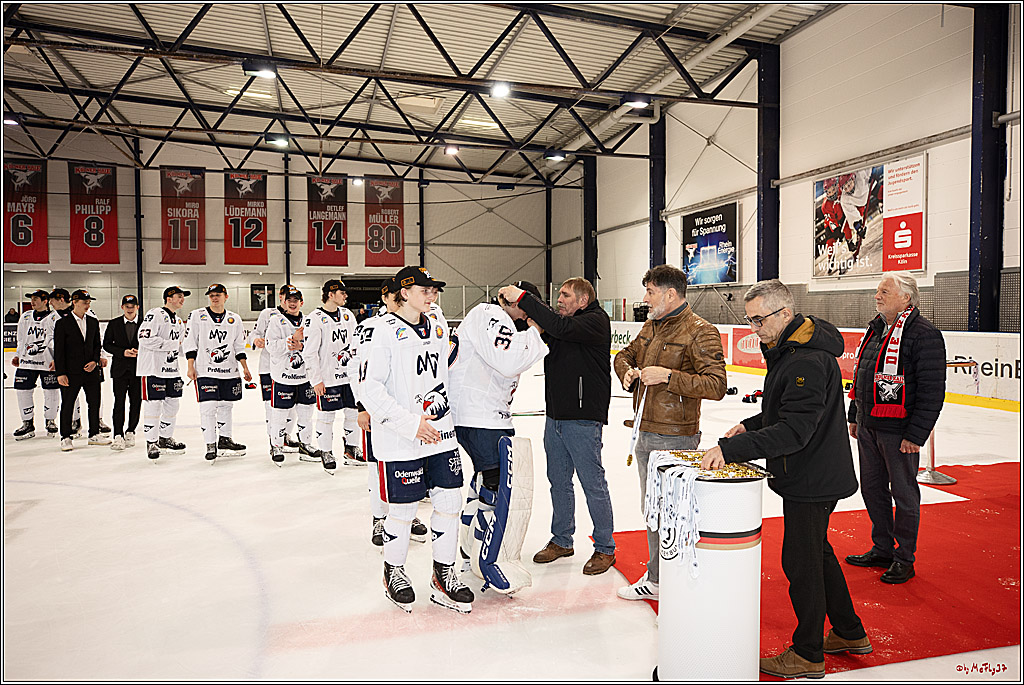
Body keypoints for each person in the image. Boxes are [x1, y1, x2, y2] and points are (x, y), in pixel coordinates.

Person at [700, 279, 871, 679]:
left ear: (786, 314)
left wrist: (730, 451)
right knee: (818, 553)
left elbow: (795, 431)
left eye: (759, 319)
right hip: (810, 471)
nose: (754, 328)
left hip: (812, 476)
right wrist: (749, 425)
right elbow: (784, 413)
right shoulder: (791, 352)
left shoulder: (805, 362)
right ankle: (848, 631)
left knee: (801, 562)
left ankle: (808, 653)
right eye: (750, 320)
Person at [359, 266, 474, 614]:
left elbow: (445, 371)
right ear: (403, 293)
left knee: (450, 503)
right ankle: (393, 571)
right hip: (402, 438)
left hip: (441, 433)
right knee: (404, 510)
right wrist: (410, 424)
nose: (431, 294)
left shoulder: (438, 324)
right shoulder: (379, 331)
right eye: (424, 290)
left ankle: (444, 573)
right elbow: (370, 388)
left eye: (433, 289)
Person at [613, 265, 727, 600]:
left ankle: (670, 578)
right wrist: (627, 373)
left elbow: (717, 385)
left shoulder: (699, 331)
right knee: (653, 509)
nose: (644, 298)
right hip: (644, 431)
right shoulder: (652, 325)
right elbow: (624, 355)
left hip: (675, 436)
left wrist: (667, 376)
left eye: (650, 292)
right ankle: (660, 577)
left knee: (672, 509)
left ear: (670, 294)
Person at [498, 277, 616, 576]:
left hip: (583, 420)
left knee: (593, 484)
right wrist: (519, 311)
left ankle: (605, 548)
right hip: (556, 419)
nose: (560, 300)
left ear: (583, 300)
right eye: (559, 295)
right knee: (559, 482)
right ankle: (562, 539)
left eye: (565, 296)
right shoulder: (561, 324)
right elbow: (537, 330)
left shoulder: (594, 322)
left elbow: (560, 327)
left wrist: (523, 297)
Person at [845, 272, 946, 584]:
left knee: (903, 494)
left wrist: (915, 435)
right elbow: (862, 375)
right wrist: (854, 414)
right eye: (878, 291)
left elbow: (931, 391)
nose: (877, 296)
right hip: (869, 425)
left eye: (884, 291)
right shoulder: (875, 330)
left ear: (907, 298)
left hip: (899, 432)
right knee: (872, 489)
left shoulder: (923, 334)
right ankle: (883, 548)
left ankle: (904, 558)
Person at [450, 280, 548, 594]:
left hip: (485, 415)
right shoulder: (490, 314)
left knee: (483, 483)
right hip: (479, 416)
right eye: (527, 305)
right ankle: (489, 560)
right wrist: (537, 332)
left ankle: (469, 552)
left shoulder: (500, 321)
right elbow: (508, 362)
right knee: (497, 485)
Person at [352, 278, 430, 547]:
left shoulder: (420, 323)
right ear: (384, 298)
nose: (398, 298)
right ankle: (379, 518)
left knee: (413, 465)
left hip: (412, 413)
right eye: (392, 295)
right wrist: (361, 406)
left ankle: (407, 514)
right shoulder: (369, 327)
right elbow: (358, 368)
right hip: (379, 410)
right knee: (378, 467)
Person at [183, 284, 251, 461]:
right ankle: (210, 444)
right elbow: (190, 342)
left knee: (226, 407)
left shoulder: (234, 319)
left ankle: (225, 439)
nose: (214, 298)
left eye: (218, 295)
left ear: (226, 296)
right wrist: (190, 366)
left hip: (229, 371)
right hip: (206, 370)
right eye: (211, 295)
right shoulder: (198, 315)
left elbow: (238, 346)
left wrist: (244, 367)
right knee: (208, 407)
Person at [303, 279, 358, 472]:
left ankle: (351, 449)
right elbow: (309, 352)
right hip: (328, 378)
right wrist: (316, 379)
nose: (345, 296)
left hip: (349, 377)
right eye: (342, 293)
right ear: (330, 294)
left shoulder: (348, 315)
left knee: (352, 413)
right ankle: (326, 451)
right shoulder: (315, 318)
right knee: (326, 416)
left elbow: (355, 346)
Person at [265, 286, 317, 465]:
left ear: (301, 302)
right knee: (279, 414)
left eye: (296, 300)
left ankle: (305, 444)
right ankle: (277, 445)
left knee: (306, 414)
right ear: (284, 302)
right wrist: (291, 341)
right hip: (283, 377)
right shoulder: (276, 321)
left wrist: (301, 346)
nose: (293, 303)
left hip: (305, 377)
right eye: (289, 300)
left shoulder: (309, 321)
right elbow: (270, 346)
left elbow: (315, 346)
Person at [52, 289, 109, 451]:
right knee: (68, 404)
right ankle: (66, 437)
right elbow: (59, 351)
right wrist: (61, 373)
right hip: (70, 373)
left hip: (91, 371)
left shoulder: (92, 321)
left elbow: (97, 345)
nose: (87, 305)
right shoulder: (62, 323)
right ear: (74, 302)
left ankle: (94, 434)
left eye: (89, 303)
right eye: (85, 302)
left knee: (94, 403)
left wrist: (94, 361)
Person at [138, 286, 188, 460]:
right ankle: (151, 442)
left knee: (173, 404)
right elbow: (144, 338)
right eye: (179, 296)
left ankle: (165, 438)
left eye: (183, 297)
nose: (182, 299)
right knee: (154, 405)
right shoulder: (156, 314)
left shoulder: (179, 321)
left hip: (172, 369)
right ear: (168, 298)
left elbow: (181, 346)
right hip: (153, 369)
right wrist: (170, 345)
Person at [252, 285, 301, 453]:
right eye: (285, 296)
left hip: (292, 369)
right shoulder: (268, 314)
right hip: (268, 367)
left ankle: (285, 436)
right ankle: (273, 440)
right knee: (272, 407)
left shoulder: (301, 317)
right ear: (281, 297)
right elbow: (255, 333)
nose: (289, 301)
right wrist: (257, 339)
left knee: (293, 406)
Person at [12, 289, 59, 440]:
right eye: (32, 299)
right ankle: (27, 423)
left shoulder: (54, 317)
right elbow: (21, 339)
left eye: (36, 299)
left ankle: (50, 421)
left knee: (51, 392)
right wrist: (18, 355)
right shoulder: (25, 316)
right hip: (27, 362)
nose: (33, 302)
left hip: (48, 361)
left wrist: (58, 358)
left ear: (45, 301)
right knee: (22, 392)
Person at [102, 294, 143, 450]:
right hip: (119, 370)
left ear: (137, 307)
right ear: (122, 307)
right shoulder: (114, 324)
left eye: (133, 306)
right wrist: (123, 352)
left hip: (139, 370)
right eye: (127, 306)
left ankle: (131, 431)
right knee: (119, 402)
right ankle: (118, 434)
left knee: (136, 402)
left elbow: (150, 343)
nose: (130, 308)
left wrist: (141, 351)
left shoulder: (145, 323)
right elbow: (107, 345)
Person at [44, 288, 83, 438]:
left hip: (84, 361)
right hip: (66, 361)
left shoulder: (81, 313)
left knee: (91, 394)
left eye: (52, 300)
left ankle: (88, 421)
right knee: (69, 392)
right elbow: (50, 341)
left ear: (60, 299)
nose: (50, 303)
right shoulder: (50, 319)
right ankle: (71, 423)